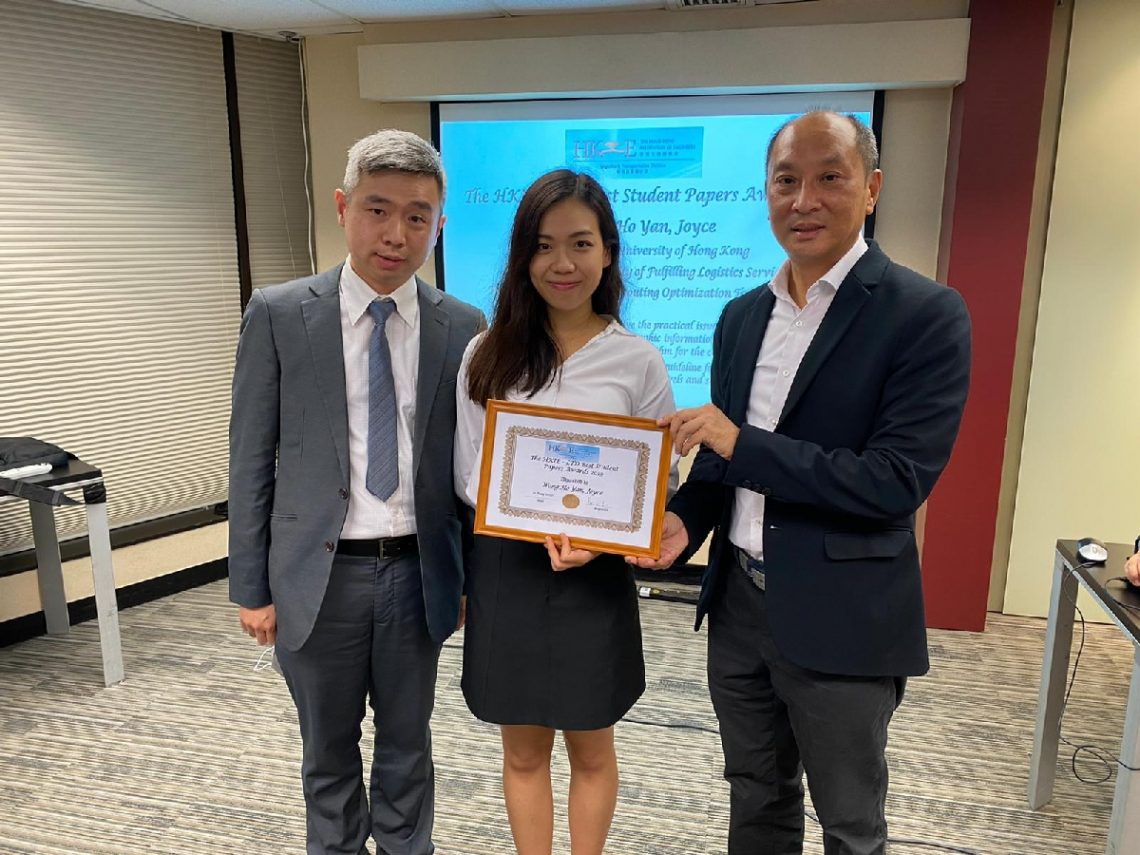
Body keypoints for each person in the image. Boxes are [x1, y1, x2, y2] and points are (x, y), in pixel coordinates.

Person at [630, 111, 972, 854]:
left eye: (829, 178)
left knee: (849, 820)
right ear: (766, 191)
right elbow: (721, 466)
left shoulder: (926, 315)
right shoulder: (740, 316)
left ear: (872, 189)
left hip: (844, 614)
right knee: (756, 797)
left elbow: (893, 482)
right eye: (786, 180)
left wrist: (740, 442)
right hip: (739, 606)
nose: (804, 199)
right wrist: (686, 518)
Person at [228, 129, 485, 855]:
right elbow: (250, 456)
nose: (395, 233)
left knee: (409, 749)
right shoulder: (279, 315)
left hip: (417, 573)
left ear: (439, 224)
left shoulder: (462, 324)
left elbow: (467, 466)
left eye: (416, 215)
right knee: (327, 753)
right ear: (342, 208)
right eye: (378, 209)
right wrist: (251, 584)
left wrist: (465, 574)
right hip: (317, 577)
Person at [453, 169, 676, 855]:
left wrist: (597, 537)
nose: (563, 263)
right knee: (521, 755)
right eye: (544, 245)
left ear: (607, 251)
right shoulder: (485, 355)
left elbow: (654, 484)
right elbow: (469, 474)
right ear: (523, 257)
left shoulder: (639, 362)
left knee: (591, 750)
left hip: (594, 579)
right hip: (508, 571)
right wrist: (533, 521)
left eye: (580, 243)